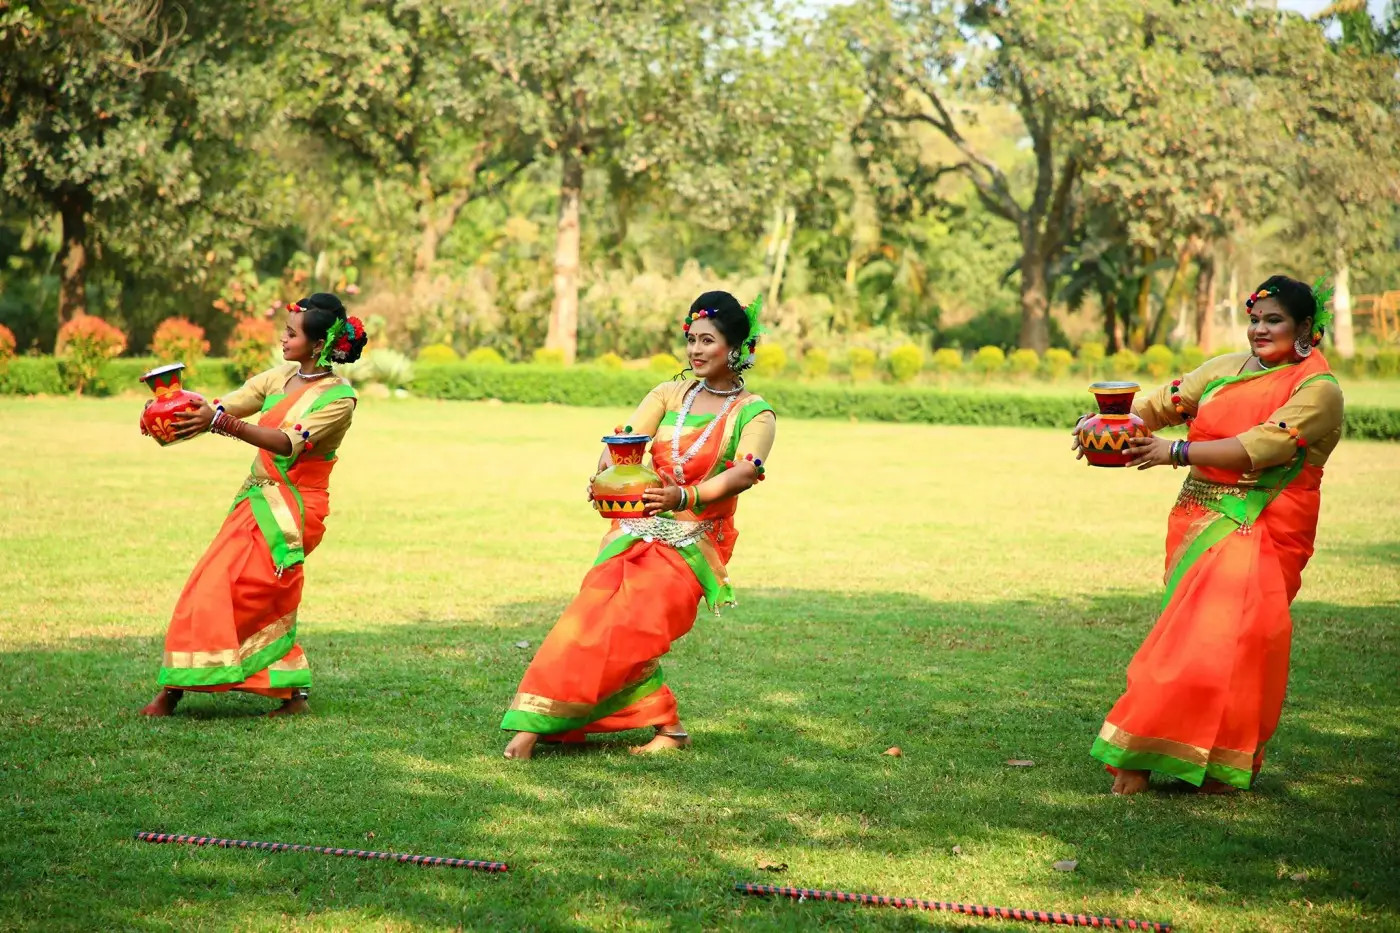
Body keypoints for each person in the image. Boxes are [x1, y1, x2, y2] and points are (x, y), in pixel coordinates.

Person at [1082, 275, 1344, 794]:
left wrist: (1175, 452)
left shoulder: (1318, 391)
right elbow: (1161, 405)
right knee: (1192, 640)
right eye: (1255, 319)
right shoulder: (1225, 369)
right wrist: (1103, 423)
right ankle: (1142, 755)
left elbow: (1262, 446)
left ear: (1304, 328)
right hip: (1196, 522)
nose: (1260, 330)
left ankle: (1215, 763)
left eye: (1274, 321)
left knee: (1235, 648)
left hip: (1260, 523)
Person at [500, 291, 776, 759]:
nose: (695, 350)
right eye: (691, 339)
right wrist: (605, 478)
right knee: (591, 617)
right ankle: (654, 726)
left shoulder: (755, 412)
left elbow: (746, 472)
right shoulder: (669, 394)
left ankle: (536, 727)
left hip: (697, 540)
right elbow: (623, 444)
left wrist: (683, 496)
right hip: (636, 529)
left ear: (734, 348)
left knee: (628, 623)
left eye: (707, 341)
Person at [140, 293, 367, 717]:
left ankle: (284, 694)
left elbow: (287, 443)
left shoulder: (339, 399)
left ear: (318, 344)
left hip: (294, 509)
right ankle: (178, 690)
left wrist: (220, 422)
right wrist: (169, 414)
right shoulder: (281, 377)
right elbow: (225, 405)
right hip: (256, 499)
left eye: (292, 334)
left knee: (255, 594)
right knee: (212, 585)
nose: (283, 339)